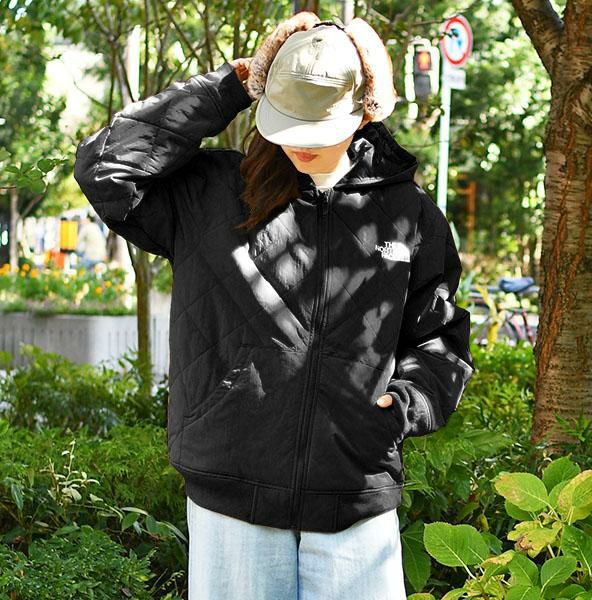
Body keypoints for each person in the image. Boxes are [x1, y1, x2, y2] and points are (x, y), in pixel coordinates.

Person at [74, 11, 475, 600]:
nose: (300, 144)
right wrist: (234, 83)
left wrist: (404, 405)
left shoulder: (409, 216)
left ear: (364, 111)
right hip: (231, 498)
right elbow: (106, 167)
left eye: (318, 126)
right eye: (288, 121)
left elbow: (439, 339)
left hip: (354, 496)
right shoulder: (212, 192)